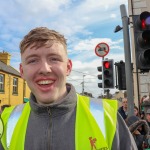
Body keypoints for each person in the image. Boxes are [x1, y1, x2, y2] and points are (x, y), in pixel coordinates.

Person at [0, 27, 137, 150]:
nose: (45, 69)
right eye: (33, 60)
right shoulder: (7, 121)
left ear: (68, 67)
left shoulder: (107, 116)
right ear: (22, 71)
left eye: (54, 59)